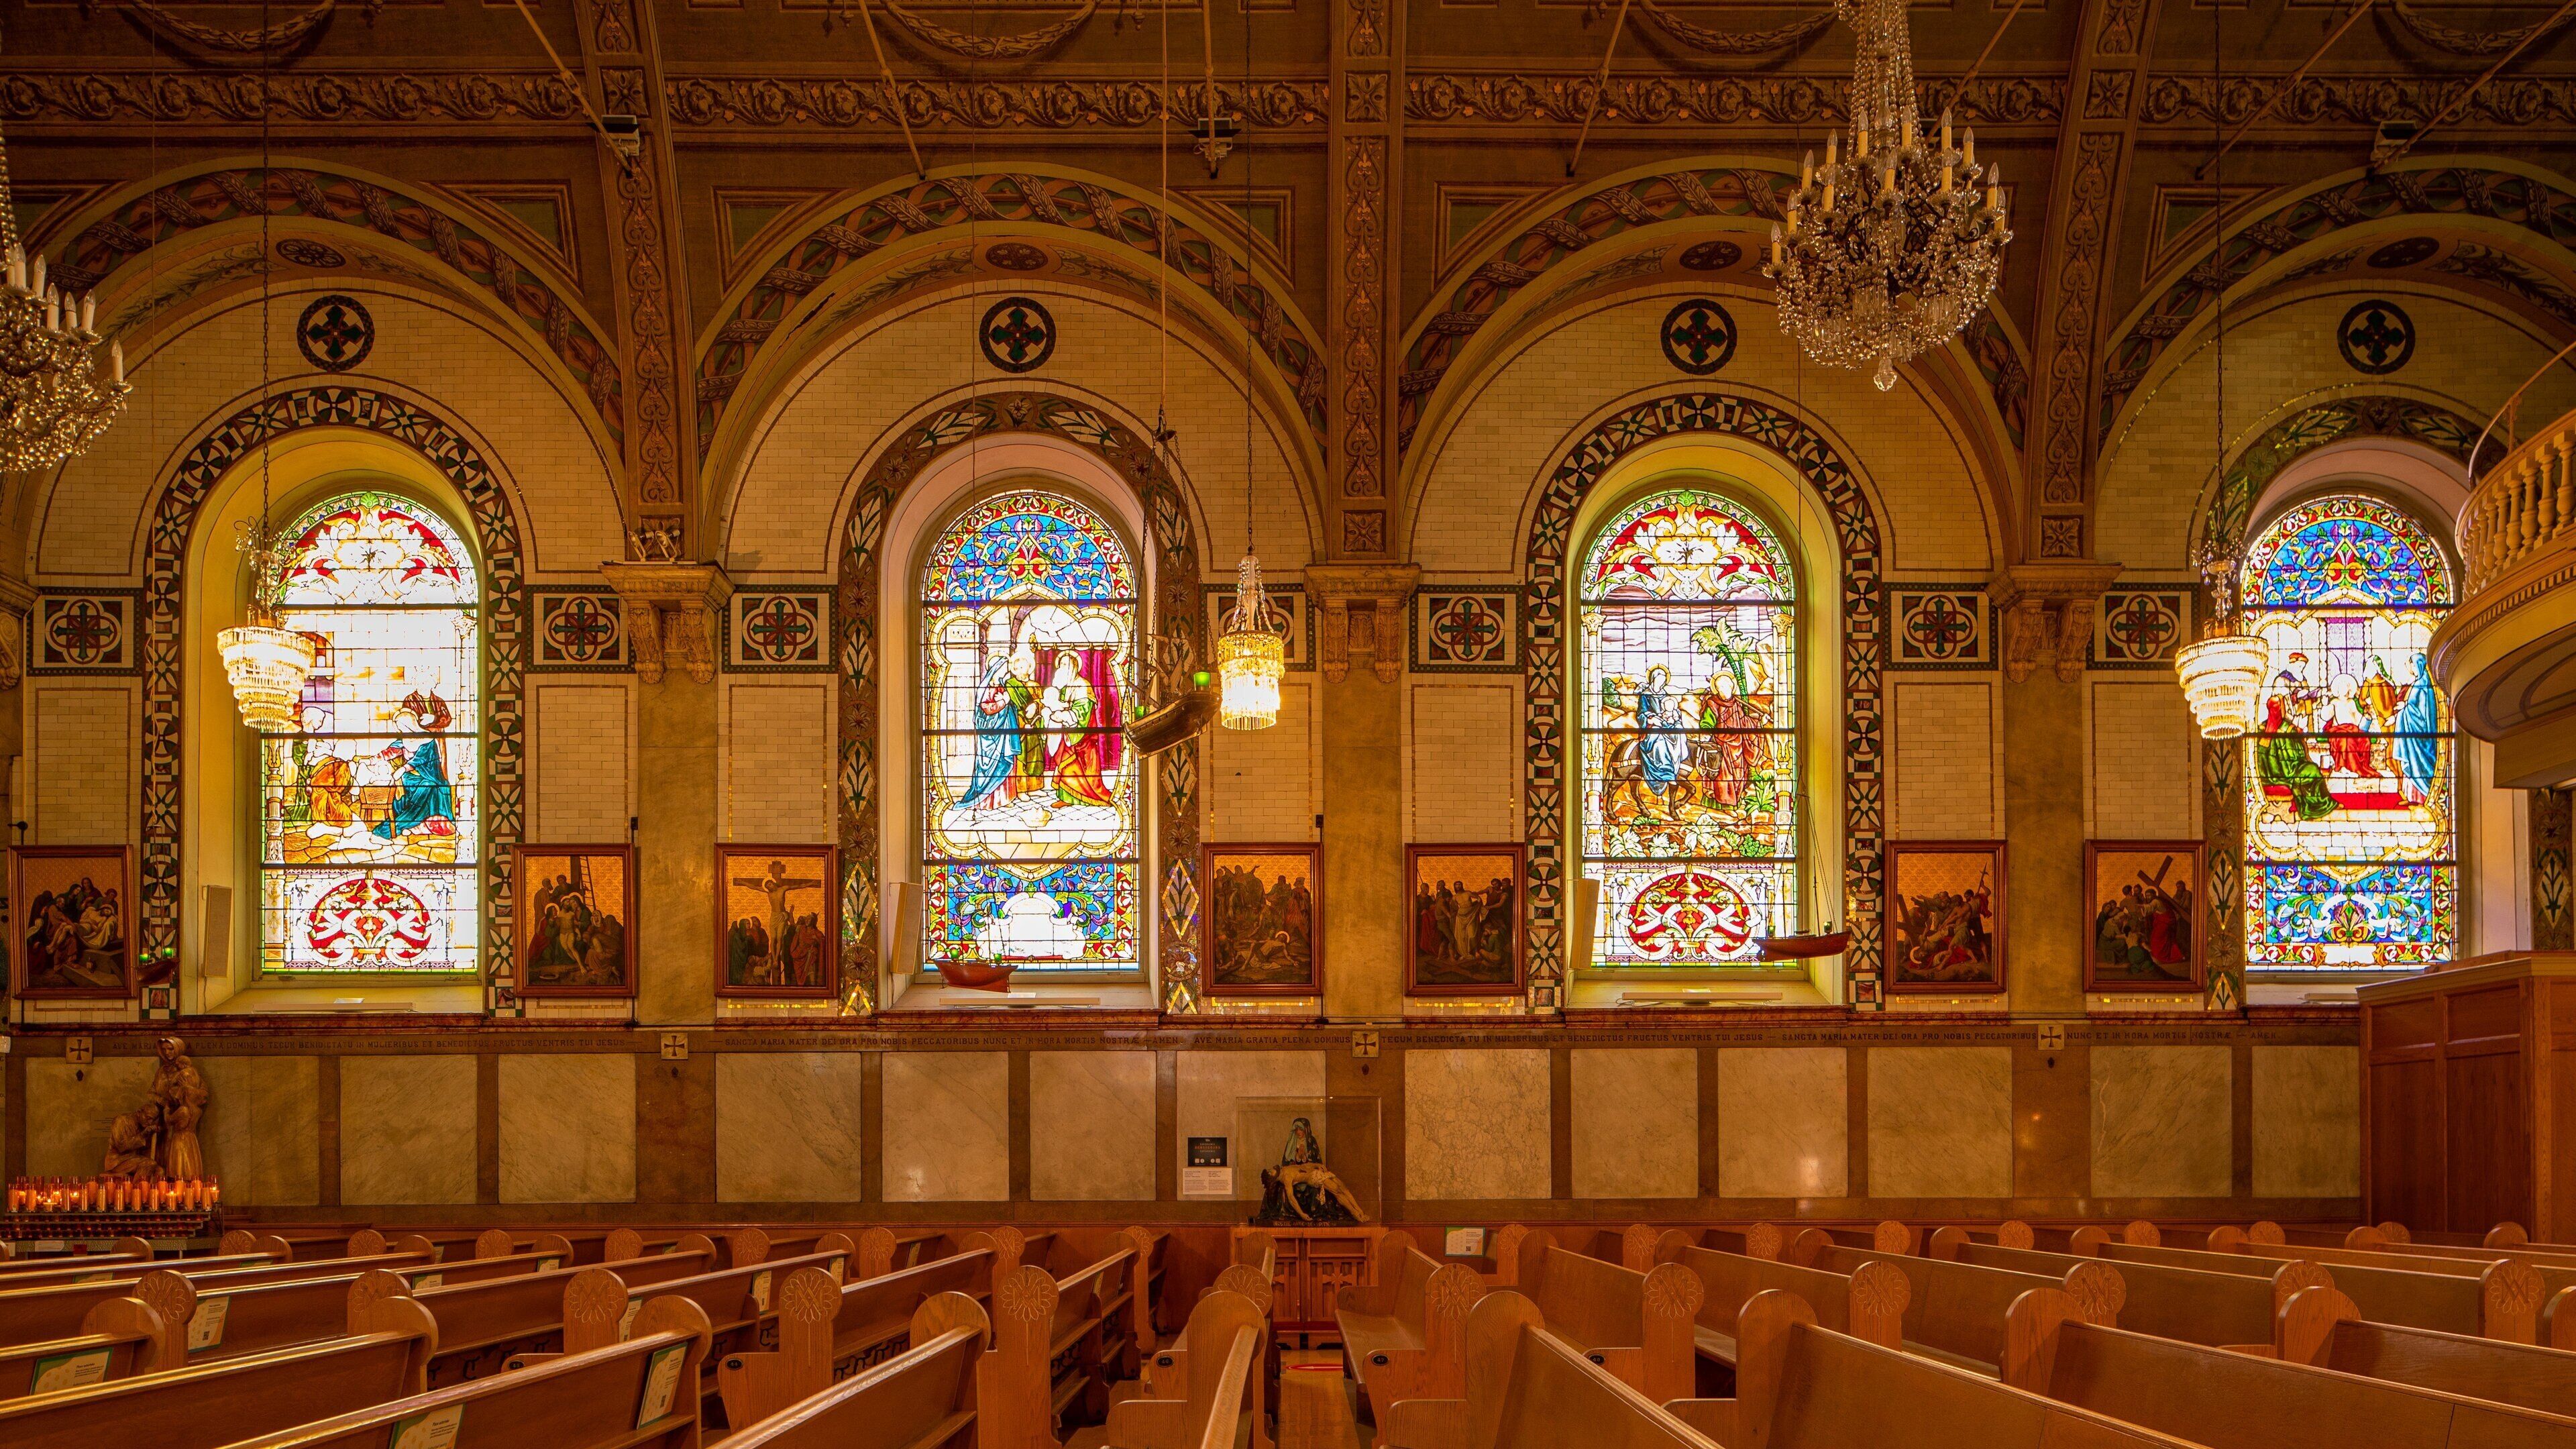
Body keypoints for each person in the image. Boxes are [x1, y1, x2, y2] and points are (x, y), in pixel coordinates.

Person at [150, 1037, 209, 1182]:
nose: (167, 1052)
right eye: (164, 1049)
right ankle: (166, 1191)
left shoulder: (189, 1072)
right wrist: (162, 1101)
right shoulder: (161, 1072)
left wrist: (187, 1092)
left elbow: (203, 1094)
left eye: (170, 1049)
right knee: (164, 1156)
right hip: (165, 1120)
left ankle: (181, 1189)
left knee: (181, 1159)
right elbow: (151, 1092)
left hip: (182, 1117)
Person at [2393, 653, 2441, 804]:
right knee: (2412, 763)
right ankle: (2411, 797)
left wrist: (2405, 709)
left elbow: (2422, 714)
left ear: (2418, 666)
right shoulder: (2419, 683)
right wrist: (2406, 707)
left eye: (2412, 665)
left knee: (2417, 763)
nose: (2411, 667)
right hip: (2413, 734)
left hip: (2420, 735)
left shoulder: (2423, 685)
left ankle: (2422, 796)